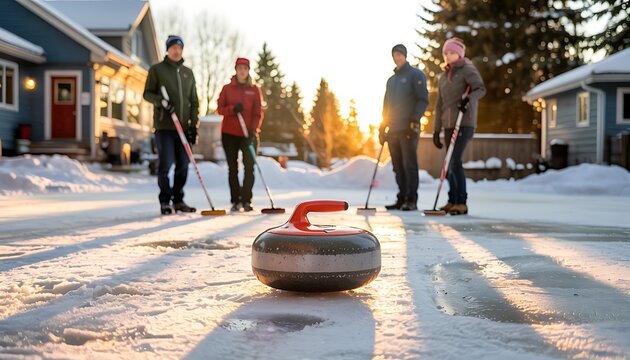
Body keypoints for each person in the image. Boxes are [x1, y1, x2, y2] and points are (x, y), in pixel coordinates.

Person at [143, 35, 199, 215]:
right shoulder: (157, 70)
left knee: (183, 164)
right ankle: (165, 201)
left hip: (183, 127)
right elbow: (147, 94)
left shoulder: (188, 73)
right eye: (173, 47)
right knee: (166, 164)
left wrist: (193, 125)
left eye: (179, 48)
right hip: (165, 127)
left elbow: (194, 101)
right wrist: (161, 102)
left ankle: (178, 200)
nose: (176, 50)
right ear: (168, 49)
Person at [432, 37, 486, 215]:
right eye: (446, 53)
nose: (448, 56)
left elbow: (480, 88)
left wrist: (468, 101)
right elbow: (439, 105)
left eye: (452, 52)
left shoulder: (467, 69)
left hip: (464, 122)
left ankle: (461, 202)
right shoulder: (442, 77)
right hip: (448, 125)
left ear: (460, 53)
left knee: (455, 161)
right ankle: (452, 200)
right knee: (449, 164)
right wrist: (436, 129)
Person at [380, 44, 429, 211]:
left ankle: (411, 199)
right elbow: (386, 106)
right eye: (394, 54)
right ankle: (401, 197)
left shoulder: (415, 75)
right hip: (393, 129)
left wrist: (414, 120)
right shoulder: (391, 80)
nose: (397, 57)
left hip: (408, 128)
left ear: (405, 56)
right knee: (397, 165)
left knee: (409, 164)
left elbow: (423, 99)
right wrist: (382, 126)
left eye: (399, 54)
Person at [217, 57, 263, 212]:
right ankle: (235, 200)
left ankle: (246, 200)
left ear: (248, 70)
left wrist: (253, 130)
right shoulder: (227, 88)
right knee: (233, 168)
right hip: (229, 134)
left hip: (248, 134)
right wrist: (231, 109)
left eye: (245, 68)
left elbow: (258, 113)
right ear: (236, 70)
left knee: (249, 167)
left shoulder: (255, 89)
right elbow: (220, 109)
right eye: (239, 68)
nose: (242, 71)